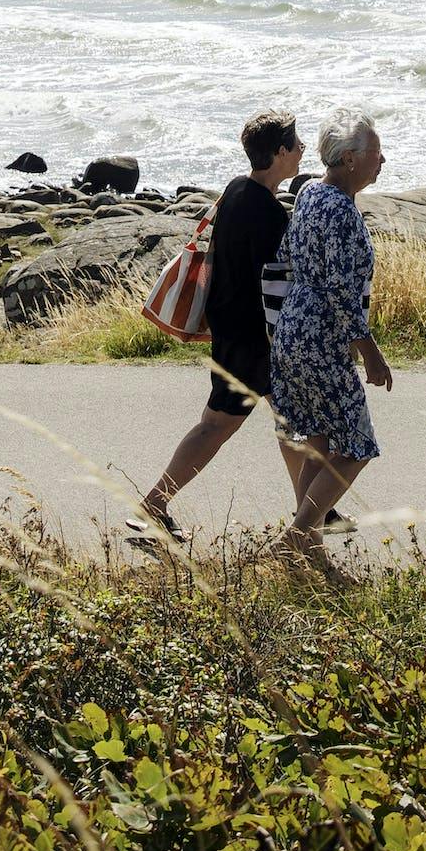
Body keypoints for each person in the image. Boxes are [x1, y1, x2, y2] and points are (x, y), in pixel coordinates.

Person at [137, 112, 312, 539]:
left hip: (231, 330)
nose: (303, 150)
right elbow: (279, 284)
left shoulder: (236, 190)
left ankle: (310, 510)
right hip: (257, 340)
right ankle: (154, 503)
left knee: (274, 422)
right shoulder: (268, 214)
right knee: (237, 425)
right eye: (297, 144)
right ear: (280, 153)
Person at [266, 111, 395, 572]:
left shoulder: (311, 194)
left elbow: (288, 257)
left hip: (293, 329)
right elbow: (343, 291)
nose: (382, 162)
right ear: (347, 159)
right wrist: (372, 355)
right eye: (376, 155)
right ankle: (297, 537)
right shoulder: (339, 208)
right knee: (357, 443)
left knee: (317, 437)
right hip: (321, 335)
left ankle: (311, 549)